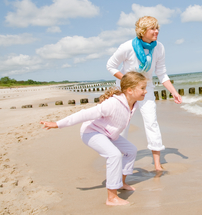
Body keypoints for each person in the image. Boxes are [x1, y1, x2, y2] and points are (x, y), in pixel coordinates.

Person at [40, 71, 147, 206]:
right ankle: (111, 197)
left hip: (109, 133)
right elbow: (84, 114)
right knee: (114, 155)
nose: (146, 91)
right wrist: (58, 124)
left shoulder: (134, 103)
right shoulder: (112, 104)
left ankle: (121, 183)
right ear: (130, 90)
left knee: (131, 150)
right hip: (92, 132)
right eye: (142, 88)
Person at [106, 16, 182, 172]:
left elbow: (161, 73)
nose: (156, 31)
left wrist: (174, 92)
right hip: (126, 91)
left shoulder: (159, 48)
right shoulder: (127, 47)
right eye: (152, 29)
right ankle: (118, 162)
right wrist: (129, 80)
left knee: (151, 123)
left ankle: (157, 164)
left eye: (157, 28)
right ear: (142, 31)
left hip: (146, 90)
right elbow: (111, 66)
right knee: (123, 125)